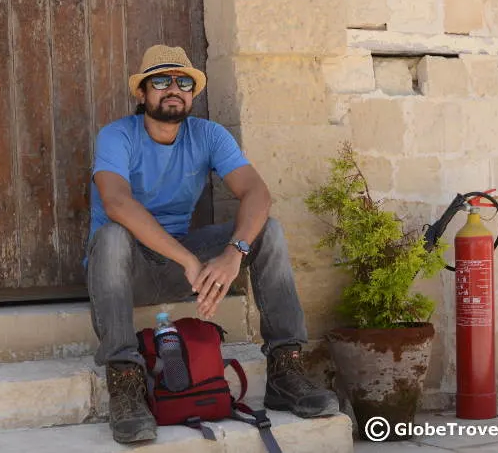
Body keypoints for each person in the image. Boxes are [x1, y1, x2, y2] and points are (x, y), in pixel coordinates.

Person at [85, 45, 339, 444]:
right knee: (112, 236)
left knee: (266, 230)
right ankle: (126, 383)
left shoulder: (208, 135)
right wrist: (188, 258)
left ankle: (286, 370)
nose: (174, 88)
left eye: (183, 82)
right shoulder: (117, 135)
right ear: (142, 93)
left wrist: (233, 252)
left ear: (193, 92)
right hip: (124, 271)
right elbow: (116, 202)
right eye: (161, 81)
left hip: (178, 266)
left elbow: (256, 192)